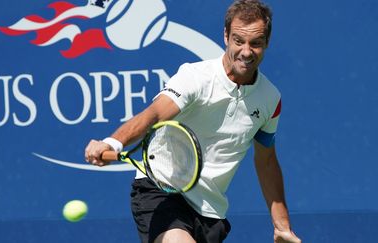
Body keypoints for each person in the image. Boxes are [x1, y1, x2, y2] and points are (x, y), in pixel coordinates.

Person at [85, 0, 301, 242]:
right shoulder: (195, 77)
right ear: (226, 36)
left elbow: (267, 162)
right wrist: (114, 142)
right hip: (161, 191)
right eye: (238, 41)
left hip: (211, 212)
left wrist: (282, 226)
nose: (246, 51)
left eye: (256, 43)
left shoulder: (270, 99)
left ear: (267, 43)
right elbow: (155, 114)